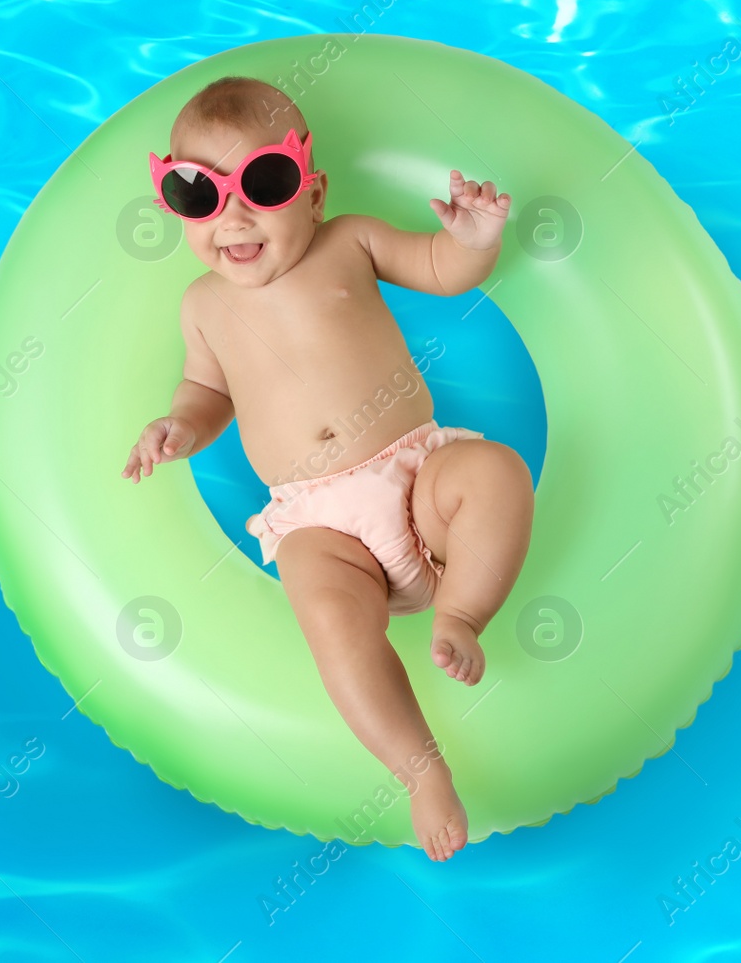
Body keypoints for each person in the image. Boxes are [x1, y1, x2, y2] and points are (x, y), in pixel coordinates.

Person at [121, 76, 534, 861]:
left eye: (264, 183)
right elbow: (207, 392)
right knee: (330, 619)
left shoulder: (351, 240)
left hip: (419, 481)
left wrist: (474, 236)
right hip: (315, 520)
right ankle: (419, 767)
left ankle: (462, 614)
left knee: (497, 472)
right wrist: (179, 427)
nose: (233, 216)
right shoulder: (202, 306)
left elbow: (443, 267)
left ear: (311, 191)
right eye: (196, 193)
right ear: (173, 203)